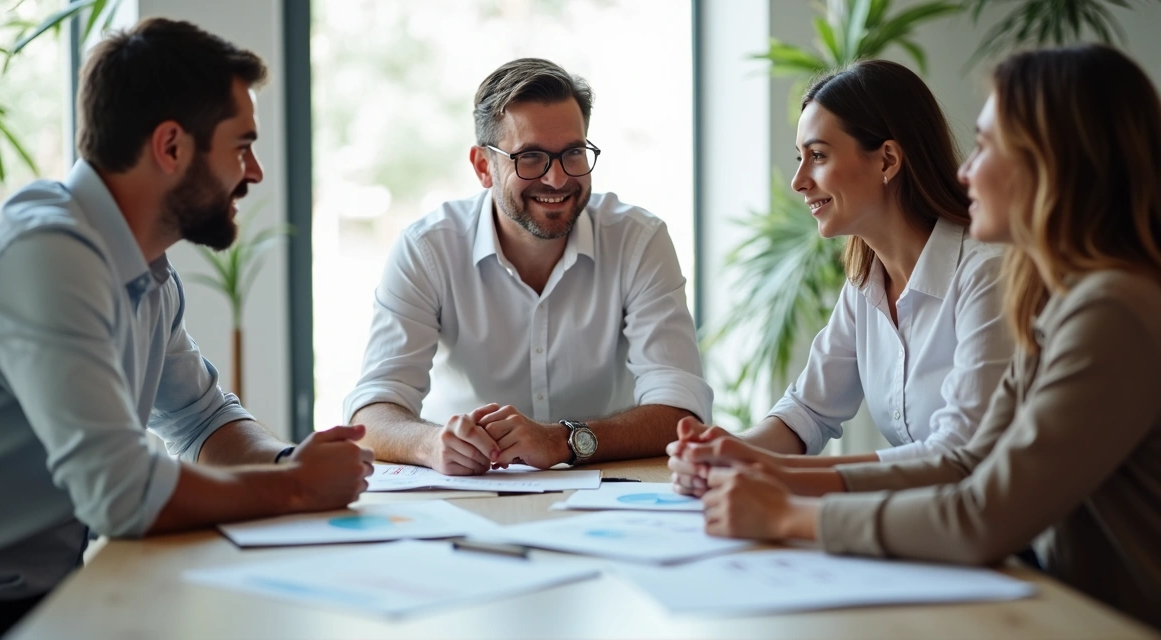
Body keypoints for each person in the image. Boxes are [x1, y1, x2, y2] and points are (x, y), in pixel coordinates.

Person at [691, 44, 1161, 628]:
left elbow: (981, 511)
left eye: (987, 146)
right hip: (1056, 600)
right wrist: (768, 470)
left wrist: (788, 514)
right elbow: (967, 460)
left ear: (1051, 164)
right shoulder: (1058, 301)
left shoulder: (1109, 310)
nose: (966, 170)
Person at [0, 19, 373, 638]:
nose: (252, 172)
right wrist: (298, 491)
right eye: (241, 146)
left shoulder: (143, 268)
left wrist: (289, 463)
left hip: (49, 592)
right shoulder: (45, 255)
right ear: (171, 147)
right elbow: (121, 495)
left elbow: (201, 420)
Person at [345, 58, 712, 475]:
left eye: (573, 153)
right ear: (484, 166)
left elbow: (681, 412)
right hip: (465, 490)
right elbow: (371, 413)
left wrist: (561, 440)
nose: (557, 179)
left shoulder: (638, 240)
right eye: (531, 158)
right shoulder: (427, 249)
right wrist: (430, 444)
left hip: (608, 487)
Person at [668, 60, 1014, 497]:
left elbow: (960, 452)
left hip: (1003, 542)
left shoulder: (987, 274)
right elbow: (808, 411)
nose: (798, 181)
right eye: (801, 158)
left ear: (887, 159)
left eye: (818, 156)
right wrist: (725, 451)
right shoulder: (866, 282)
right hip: (918, 529)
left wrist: (772, 471)